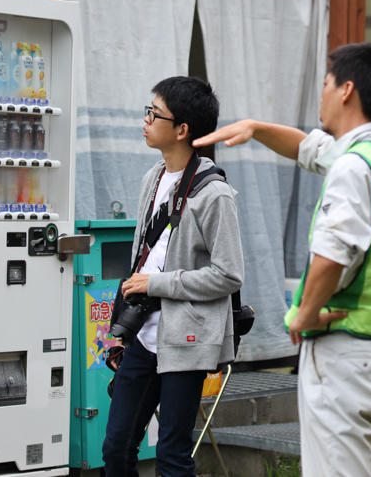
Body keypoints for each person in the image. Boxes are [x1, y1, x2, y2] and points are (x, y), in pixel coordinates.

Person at [194, 42, 371, 476]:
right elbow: (309, 148)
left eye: (326, 84)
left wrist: (302, 314)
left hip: (341, 356)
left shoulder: (352, 167)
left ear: (346, 90)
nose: (321, 94)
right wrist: (255, 126)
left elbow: (333, 254)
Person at [102, 76, 244, 477]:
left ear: (182, 130)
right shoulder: (152, 178)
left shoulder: (213, 194)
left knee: (172, 456)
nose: (145, 120)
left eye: (154, 113)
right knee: (115, 449)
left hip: (187, 339)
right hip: (143, 336)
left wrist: (158, 284)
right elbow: (143, 258)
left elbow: (229, 274)